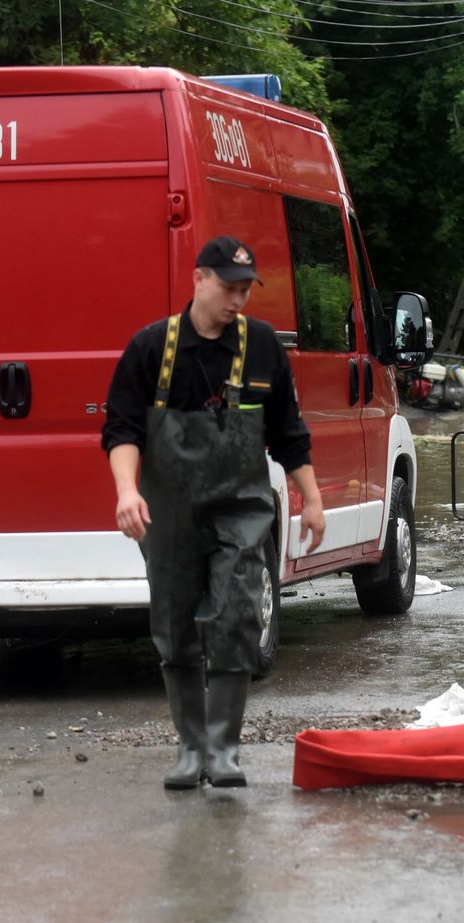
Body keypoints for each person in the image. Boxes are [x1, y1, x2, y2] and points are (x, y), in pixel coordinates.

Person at [103, 235, 325, 790]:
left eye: (246, 289)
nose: (238, 300)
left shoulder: (263, 347)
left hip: (241, 507)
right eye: (229, 287)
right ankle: (189, 749)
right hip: (170, 510)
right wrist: (127, 490)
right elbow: (122, 430)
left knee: (235, 614)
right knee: (175, 626)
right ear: (199, 279)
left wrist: (313, 499)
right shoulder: (151, 348)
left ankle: (224, 751)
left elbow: (288, 434)